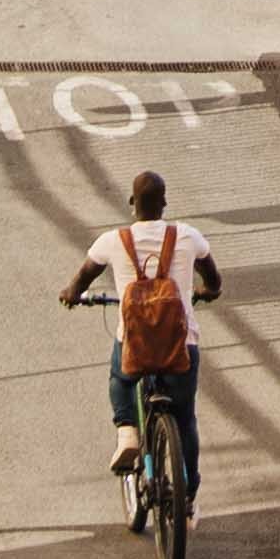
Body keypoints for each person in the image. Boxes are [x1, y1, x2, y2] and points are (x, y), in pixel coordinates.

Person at [62, 171, 218, 523]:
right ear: (164, 203)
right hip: (182, 347)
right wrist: (207, 291)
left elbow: (82, 277)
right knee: (185, 416)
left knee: (120, 379)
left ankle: (127, 431)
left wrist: (72, 294)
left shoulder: (113, 241)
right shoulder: (188, 236)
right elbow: (214, 278)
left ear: (133, 204)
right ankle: (188, 491)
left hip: (135, 346)